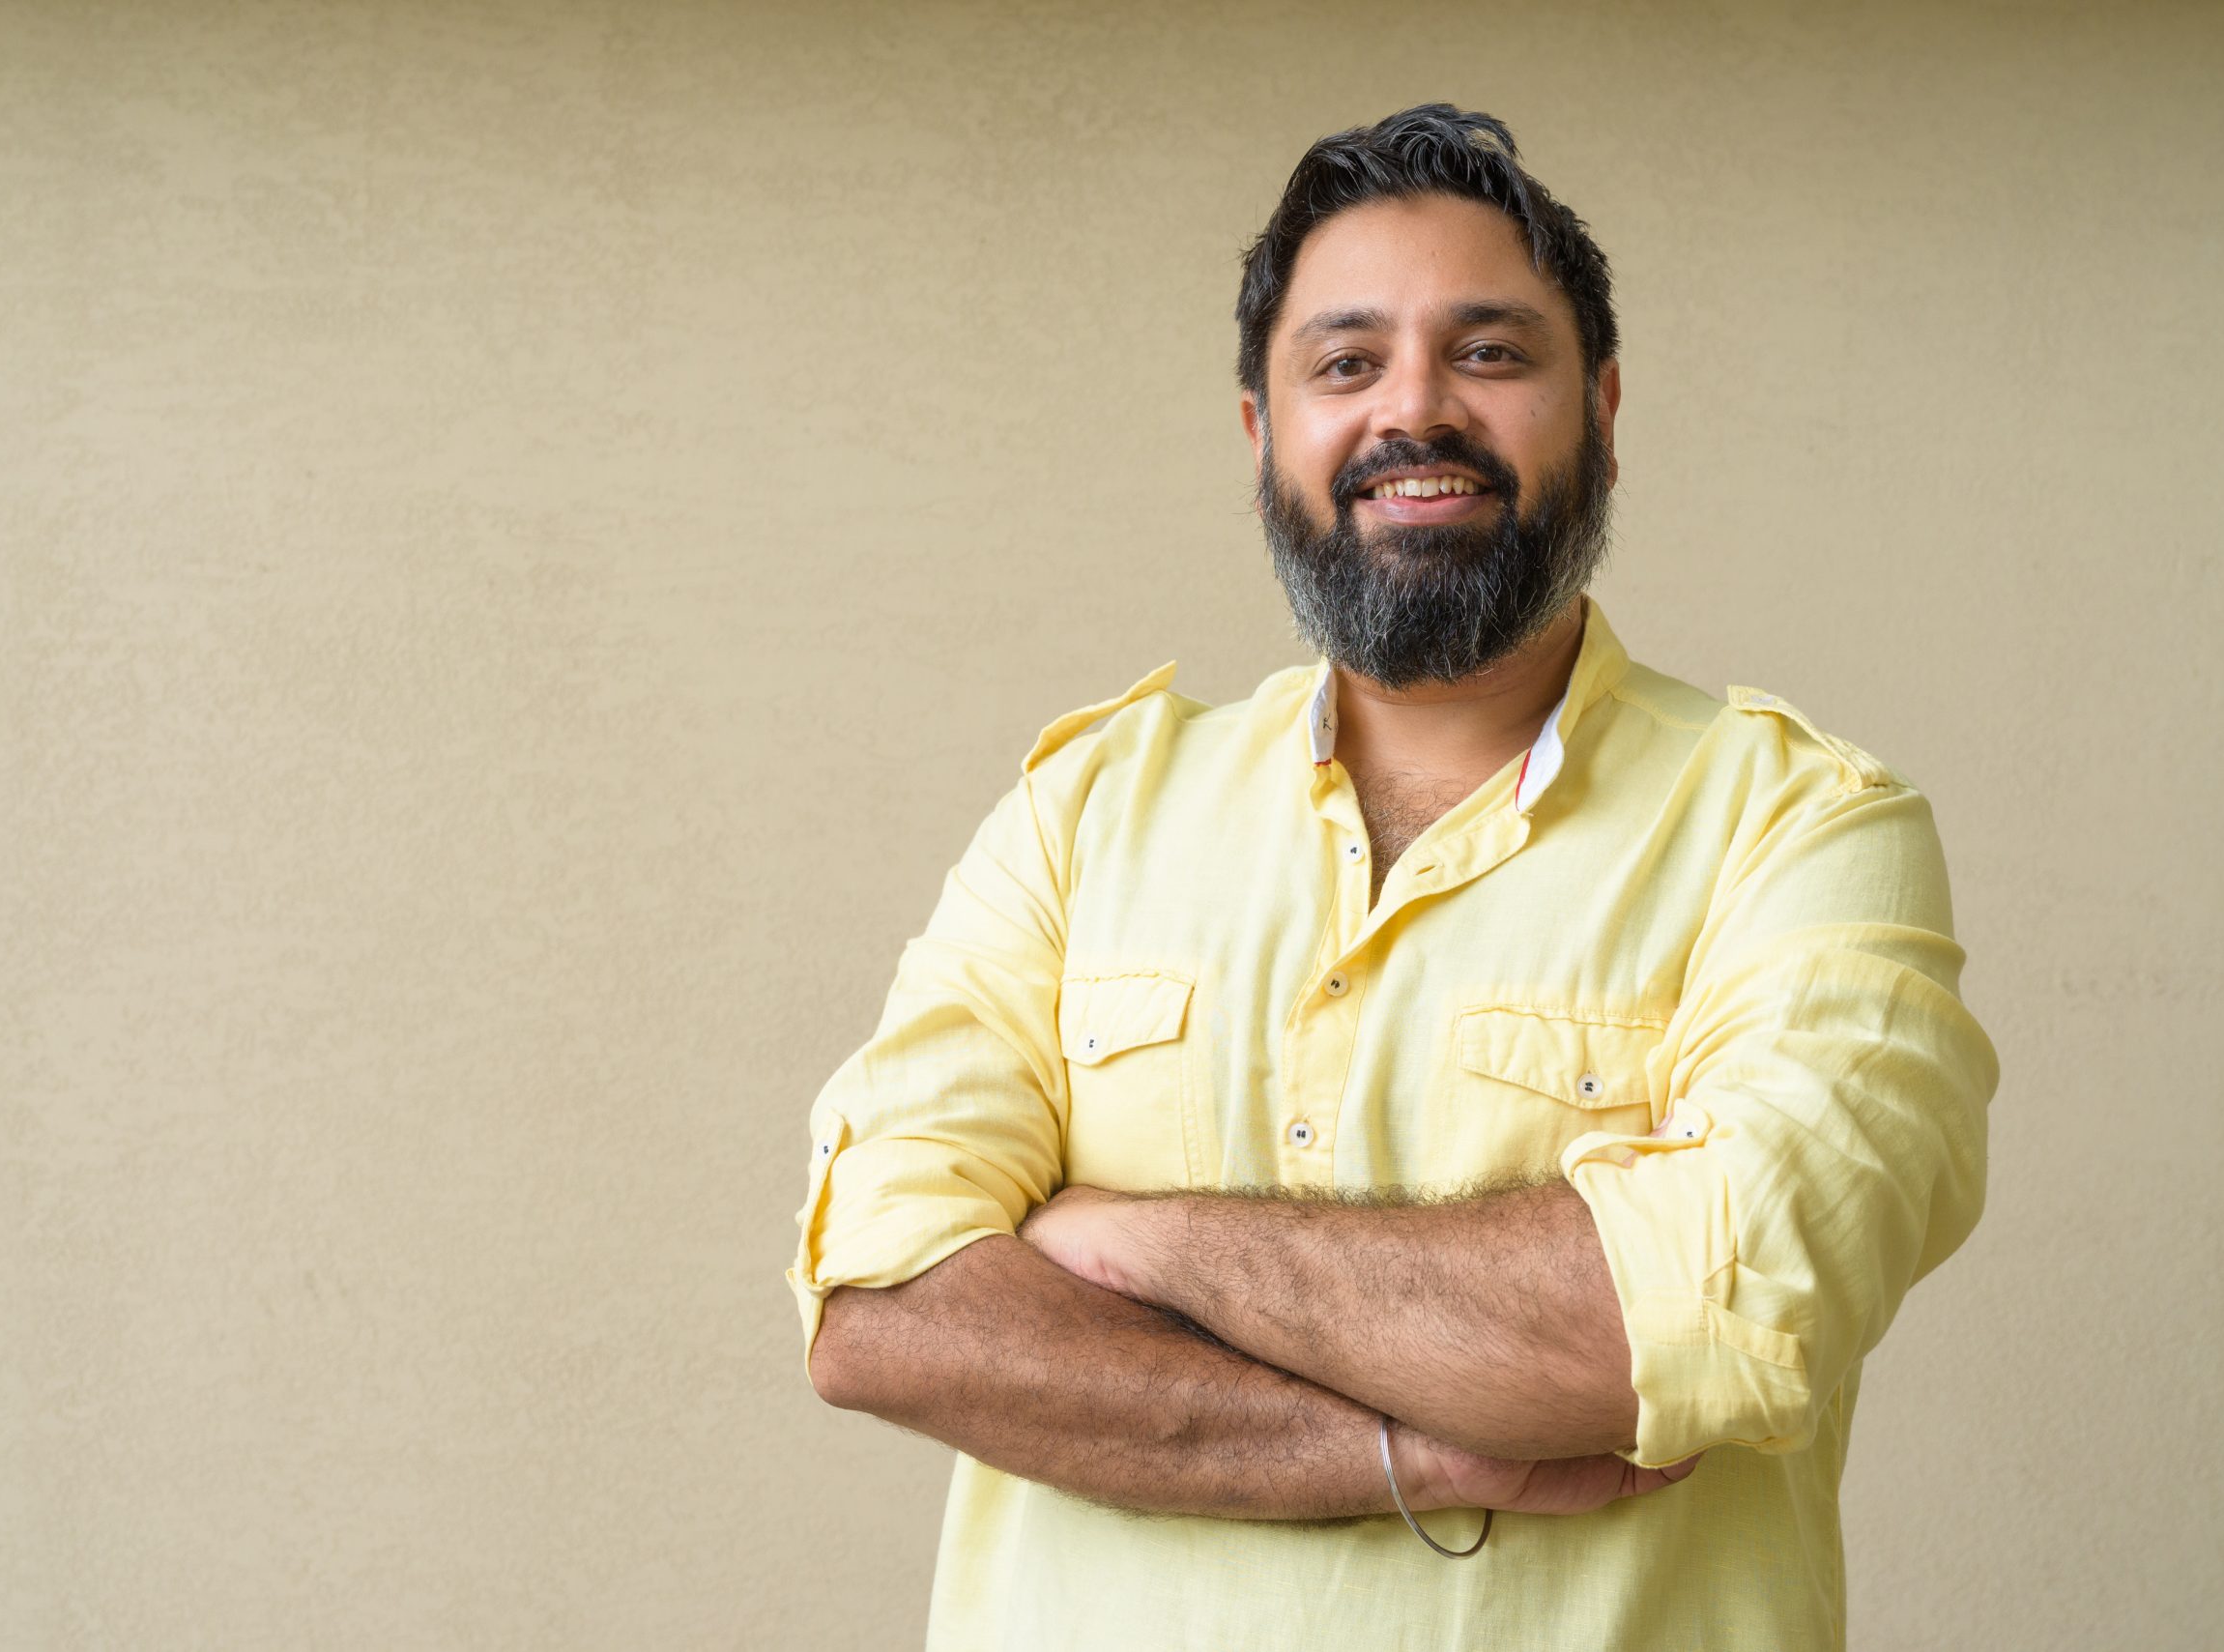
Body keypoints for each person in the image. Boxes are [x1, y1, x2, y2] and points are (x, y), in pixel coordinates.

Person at [786, 101, 1997, 1651]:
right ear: (1261, 430)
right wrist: (1409, 1448)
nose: (1413, 410)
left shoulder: (1806, 831)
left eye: (1489, 351)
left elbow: (1687, 1324)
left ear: (1605, 407)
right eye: (1346, 362)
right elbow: (882, 1316)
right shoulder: (1083, 812)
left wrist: (1140, 1239)